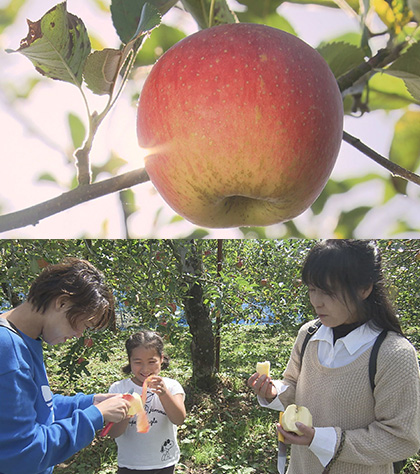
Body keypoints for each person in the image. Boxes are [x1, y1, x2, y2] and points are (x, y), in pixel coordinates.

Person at [248, 239, 420, 474]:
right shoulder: (309, 335)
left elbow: (401, 438)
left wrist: (320, 439)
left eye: (328, 291)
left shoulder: (393, 354)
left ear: (364, 288)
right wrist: (273, 392)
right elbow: (294, 387)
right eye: (312, 289)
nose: (316, 301)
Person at [0, 257, 131, 474]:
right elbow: (23, 454)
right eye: (82, 325)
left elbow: (37, 406)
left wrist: (89, 402)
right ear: (62, 302)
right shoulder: (7, 349)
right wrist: (95, 416)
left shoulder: (25, 340)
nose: (78, 335)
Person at [108, 330, 186, 474]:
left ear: (161, 359)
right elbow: (113, 432)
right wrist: (127, 411)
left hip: (164, 462)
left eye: (152, 362)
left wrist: (164, 394)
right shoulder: (119, 388)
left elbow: (179, 419)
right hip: (130, 464)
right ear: (129, 360)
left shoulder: (171, 386)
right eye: (138, 362)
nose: (145, 369)